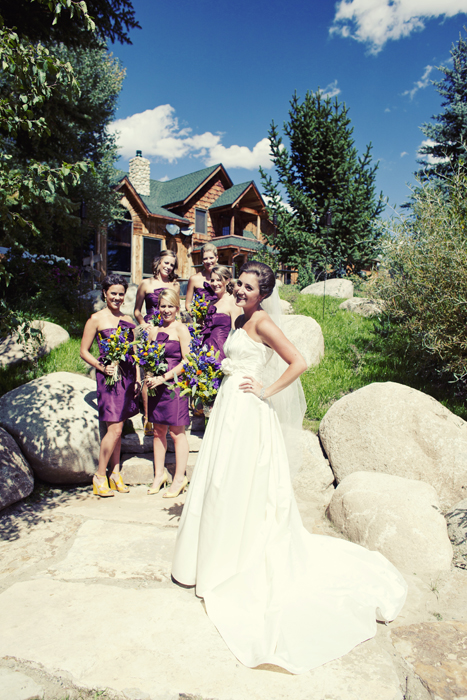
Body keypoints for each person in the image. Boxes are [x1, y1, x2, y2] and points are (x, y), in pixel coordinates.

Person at [171, 261, 407, 674]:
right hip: (229, 408)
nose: (240, 290)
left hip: (248, 412)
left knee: (237, 484)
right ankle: (207, 559)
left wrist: (266, 390)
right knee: (219, 482)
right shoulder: (239, 317)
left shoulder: (262, 322)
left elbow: (298, 361)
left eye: (248, 287)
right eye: (239, 284)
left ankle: (229, 563)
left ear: (263, 294)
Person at [80, 274, 141, 498]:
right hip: (109, 378)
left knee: (119, 429)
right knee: (113, 429)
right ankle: (99, 476)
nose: (117, 297)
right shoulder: (96, 319)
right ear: (105, 293)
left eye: (121, 294)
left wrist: (137, 378)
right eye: (113, 293)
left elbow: (133, 351)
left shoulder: (128, 319)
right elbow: (83, 351)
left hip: (127, 377)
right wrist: (101, 367)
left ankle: (115, 474)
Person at [145, 288, 191, 498]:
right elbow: (147, 358)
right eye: (163, 306)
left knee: (176, 432)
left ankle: (180, 478)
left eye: (170, 306)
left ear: (177, 308)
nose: (166, 310)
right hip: (156, 386)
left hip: (174, 386)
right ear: (157, 308)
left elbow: (187, 361)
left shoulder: (181, 329)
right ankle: (159, 475)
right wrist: (149, 377)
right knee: (158, 431)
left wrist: (164, 377)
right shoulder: (153, 331)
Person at [134, 250, 180, 435]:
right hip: (150, 332)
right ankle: (148, 418)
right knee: (149, 373)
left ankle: (164, 413)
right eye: (166, 263)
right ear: (158, 262)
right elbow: (137, 310)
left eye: (172, 265)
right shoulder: (146, 283)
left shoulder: (175, 285)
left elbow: (176, 309)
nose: (168, 267)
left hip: (168, 332)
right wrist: (144, 324)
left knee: (165, 371)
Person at [201, 264, 241, 361]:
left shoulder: (233, 303)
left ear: (227, 281)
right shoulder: (211, 304)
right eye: (212, 280)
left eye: (219, 280)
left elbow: (236, 333)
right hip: (206, 348)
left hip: (221, 350)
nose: (215, 283)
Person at [185, 242, 218, 310]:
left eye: (211, 258)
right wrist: (195, 314)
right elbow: (188, 303)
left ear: (216, 258)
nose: (208, 261)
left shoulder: (223, 277)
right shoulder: (194, 279)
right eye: (205, 258)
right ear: (202, 260)